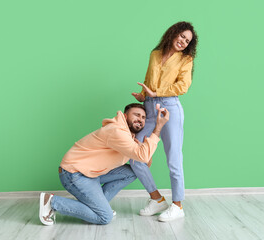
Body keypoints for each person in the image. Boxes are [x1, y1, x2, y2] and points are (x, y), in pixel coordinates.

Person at [39, 103, 169, 225]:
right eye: (136, 115)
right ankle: (52, 202)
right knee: (105, 217)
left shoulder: (129, 138)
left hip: (91, 173)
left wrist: (143, 146)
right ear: (124, 116)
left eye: (143, 117)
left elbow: (144, 164)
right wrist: (157, 128)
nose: (140, 119)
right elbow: (143, 155)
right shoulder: (117, 131)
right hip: (74, 173)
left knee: (132, 172)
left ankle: (99, 207)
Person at [131, 21, 198, 222]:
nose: (184, 42)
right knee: (135, 154)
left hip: (170, 108)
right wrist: (144, 95)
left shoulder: (186, 59)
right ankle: (157, 199)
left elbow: (183, 86)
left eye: (187, 41)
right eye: (182, 37)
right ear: (173, 33)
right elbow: (149, 77)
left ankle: (178, 205)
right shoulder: (155, 54)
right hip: (150, 108)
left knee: (173, 158)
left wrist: (157, 93)